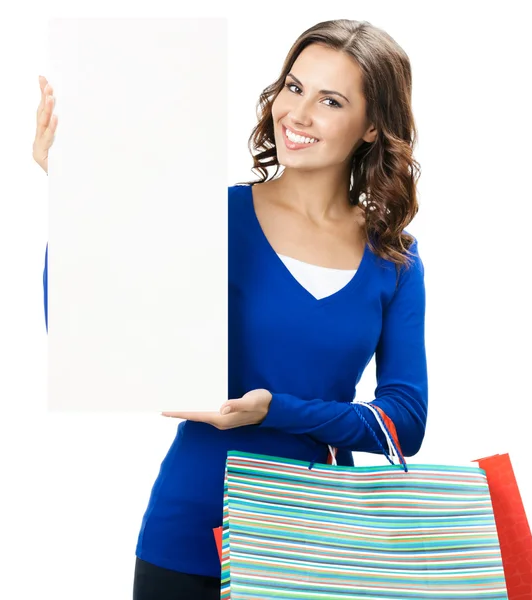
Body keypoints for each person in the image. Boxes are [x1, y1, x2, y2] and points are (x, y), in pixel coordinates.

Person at [34, 18, 428, 600]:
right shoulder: (205, 216)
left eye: (331, 100)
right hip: (191, 530)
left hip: (320, 545)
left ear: (371, 127)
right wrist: (81, 193)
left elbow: (405, 423)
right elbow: (88, 331)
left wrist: (275, 410)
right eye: (293, 87)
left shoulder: (394, 259)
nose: (297, 114)